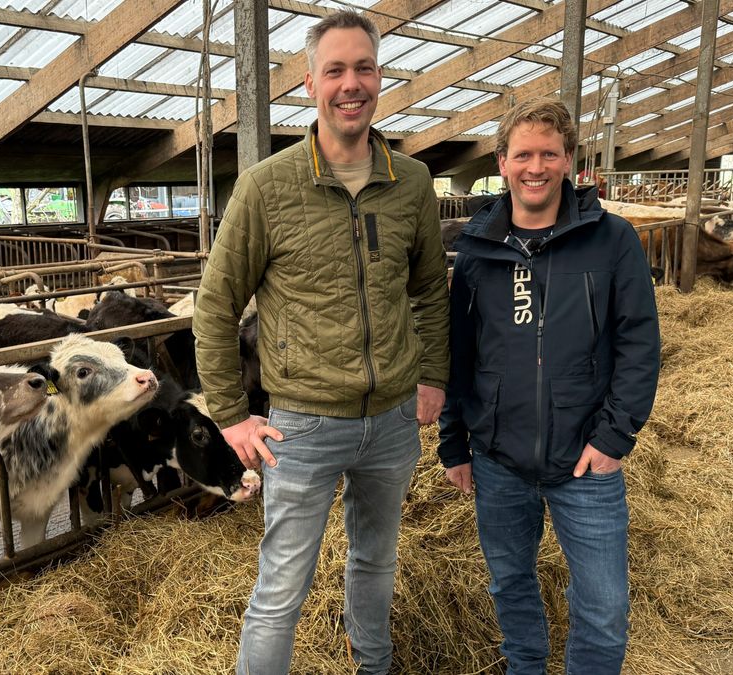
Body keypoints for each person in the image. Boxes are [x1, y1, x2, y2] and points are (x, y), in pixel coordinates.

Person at [192, 10, 449, 675]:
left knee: (376, 562)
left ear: (380, 77)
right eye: (334, 70)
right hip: (302, 424)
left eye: (363, 67)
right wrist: (228, 411)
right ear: (309, 83)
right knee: (282, 587)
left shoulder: (412, 183)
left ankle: (375, 666)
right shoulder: (267, 187)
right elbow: (215, 305)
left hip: (392, 421)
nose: (350, 83)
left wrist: (433, 377)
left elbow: (429, 291)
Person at [438, 98, 660, 674]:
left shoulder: (612, 240)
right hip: (496, 457)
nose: (535, 167)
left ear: (568, 161)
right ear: (502, 163)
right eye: (523, 155)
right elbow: (458, 353)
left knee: (604, 607)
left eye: (548, 154)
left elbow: (639, 343)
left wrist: (614, 437)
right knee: (510, 583)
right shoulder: (477, 250)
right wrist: (454, 441)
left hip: (586, 457)